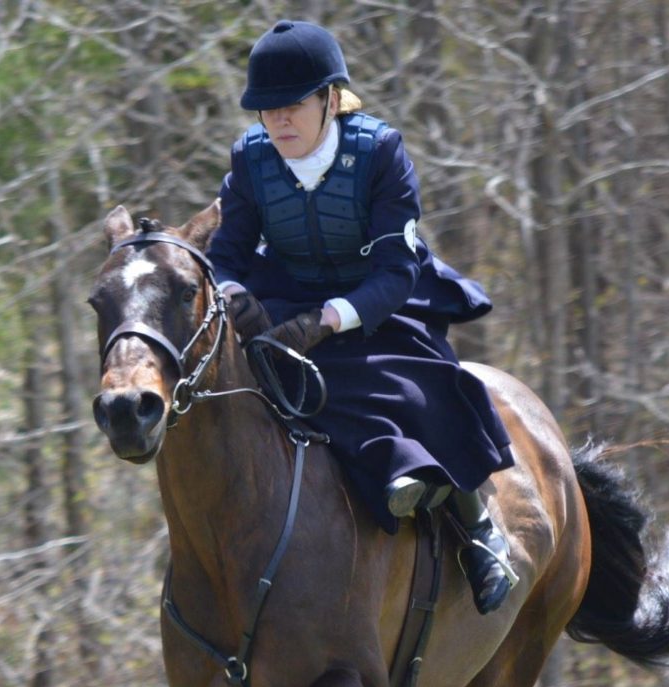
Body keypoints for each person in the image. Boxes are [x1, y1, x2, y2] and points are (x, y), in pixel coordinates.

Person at [207, 19, 517, 614]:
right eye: (267, 110)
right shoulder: (250, 159)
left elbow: (397, 271)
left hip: (374, 297)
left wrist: (329, 321)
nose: (279, 121)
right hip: (286, 294)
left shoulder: (380, 152)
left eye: (293, 105)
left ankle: (478, 528)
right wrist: (235, 291)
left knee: (426, 384)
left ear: (330, 98)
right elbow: (228, 252)